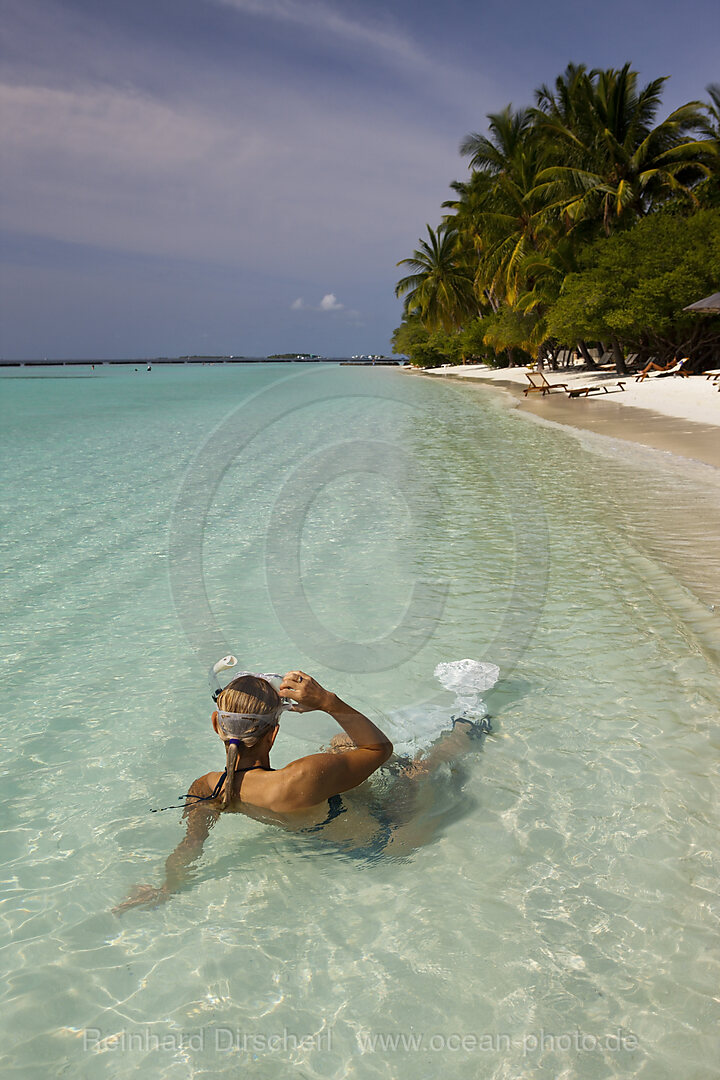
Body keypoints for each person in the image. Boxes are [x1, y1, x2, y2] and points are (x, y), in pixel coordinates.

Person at [114, 670, 394, 911]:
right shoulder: (302, 776)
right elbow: (380, 749)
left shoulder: (208, 786)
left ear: (216, 724)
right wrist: (327, 701)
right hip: (380, 838)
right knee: (413, 762)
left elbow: (190, 846)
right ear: (273, 733)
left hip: (325, 844)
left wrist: (166, 888)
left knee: (339, 745)